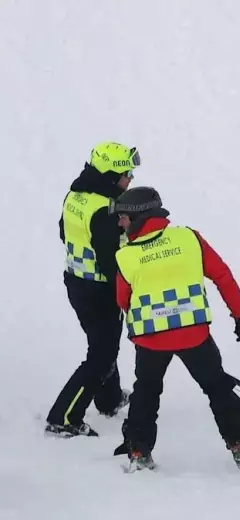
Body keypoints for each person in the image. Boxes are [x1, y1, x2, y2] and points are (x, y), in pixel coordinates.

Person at [109, 186, 240, 471]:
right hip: (194, 335)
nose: (120, 223)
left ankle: (139, 451)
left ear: (138, 217)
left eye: (123, 217)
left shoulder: (126, 256)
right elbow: (222, 275)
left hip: (150, 340)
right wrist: (239, 316)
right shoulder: (189, 238)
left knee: (146, 394)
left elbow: (122, 300)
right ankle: (238, 442)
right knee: (217, 387)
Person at [46, 142, 138, 438]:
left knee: (104, 343)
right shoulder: (104, 210)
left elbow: (64, 231)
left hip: (76, 281)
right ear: (111, 175)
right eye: (126, 173)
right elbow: (109, 261)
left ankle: (109, 399)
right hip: (99, 289)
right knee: (102, 352)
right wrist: (126, 293)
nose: (130, 179)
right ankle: (64, 416)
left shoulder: (76, 195)